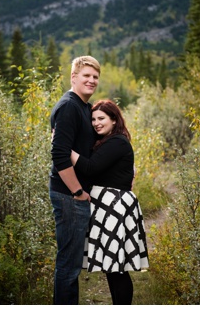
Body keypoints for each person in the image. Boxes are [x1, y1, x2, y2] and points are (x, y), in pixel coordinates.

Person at [70, 100, 149, 305]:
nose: (96, 123)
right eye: (93, 119)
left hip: (114, 207)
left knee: (116, 268)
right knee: (112, 268)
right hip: (106, 206)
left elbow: (90, 168)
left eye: (101, 118)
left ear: (114, 120)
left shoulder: (118, 142)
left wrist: (63, 147)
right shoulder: (106, 142)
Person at [49, 55, 100, 305]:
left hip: (74, 195)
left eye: (95, 77)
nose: (92, 81)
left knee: (72, 264)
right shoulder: (69, 106)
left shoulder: (84, 107)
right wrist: (78, 192)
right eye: (86, 76)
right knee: (68, 265)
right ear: (73, 77)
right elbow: (59, 155)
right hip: (69, 195)